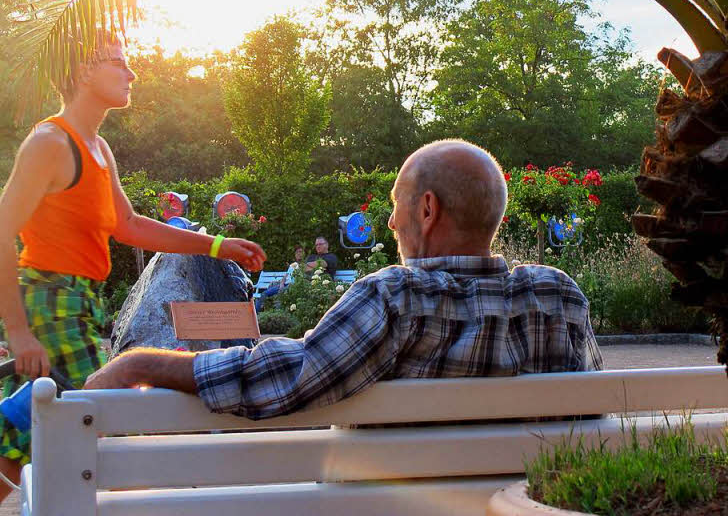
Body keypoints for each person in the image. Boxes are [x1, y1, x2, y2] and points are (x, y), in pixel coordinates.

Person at [84, 139, 604, 420]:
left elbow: (283, 380)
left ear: (427, 209)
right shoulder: (558, 296)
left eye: (396, 208)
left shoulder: (395, 298)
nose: (391, 223)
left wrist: (140, 363)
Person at [0, 33, 267, 503]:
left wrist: (217, 245)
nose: (133, 73)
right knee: (100, 417)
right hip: (52, 299)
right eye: (119, 63)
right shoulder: (50, 142)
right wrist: (19, 333)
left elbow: (126, 224)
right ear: (84, 71)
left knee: (48, 422)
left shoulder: (98, 148)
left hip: (81, 302)